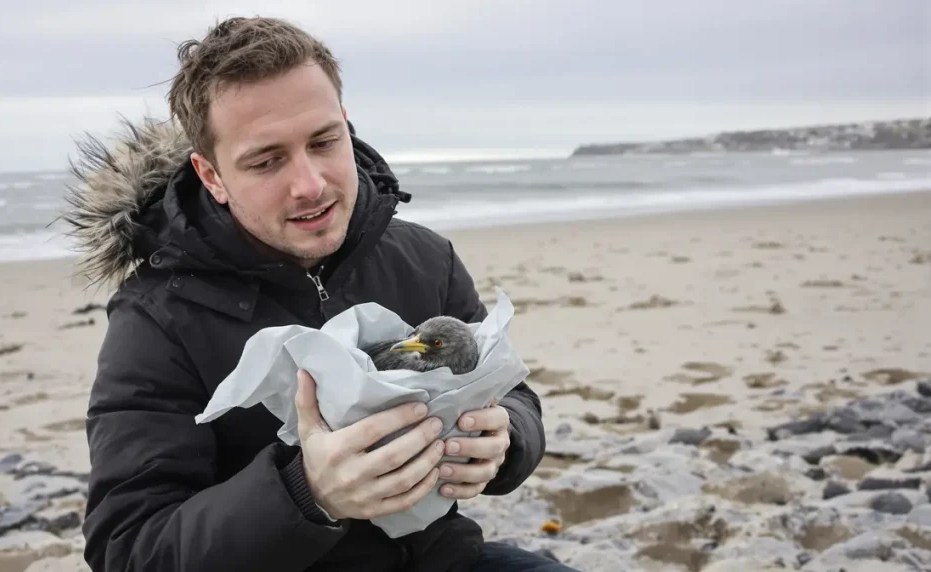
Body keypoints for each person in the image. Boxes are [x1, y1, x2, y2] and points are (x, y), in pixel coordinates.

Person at [62, 15, 576, 572]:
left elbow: (515, 395)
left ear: (346, 127)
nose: (310, 184)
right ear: (211, 176)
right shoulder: (156, 318)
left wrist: (504, 443)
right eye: (266, 160)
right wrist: (308, 495)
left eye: (324, 141)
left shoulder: (426, 259)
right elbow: (128, 548)